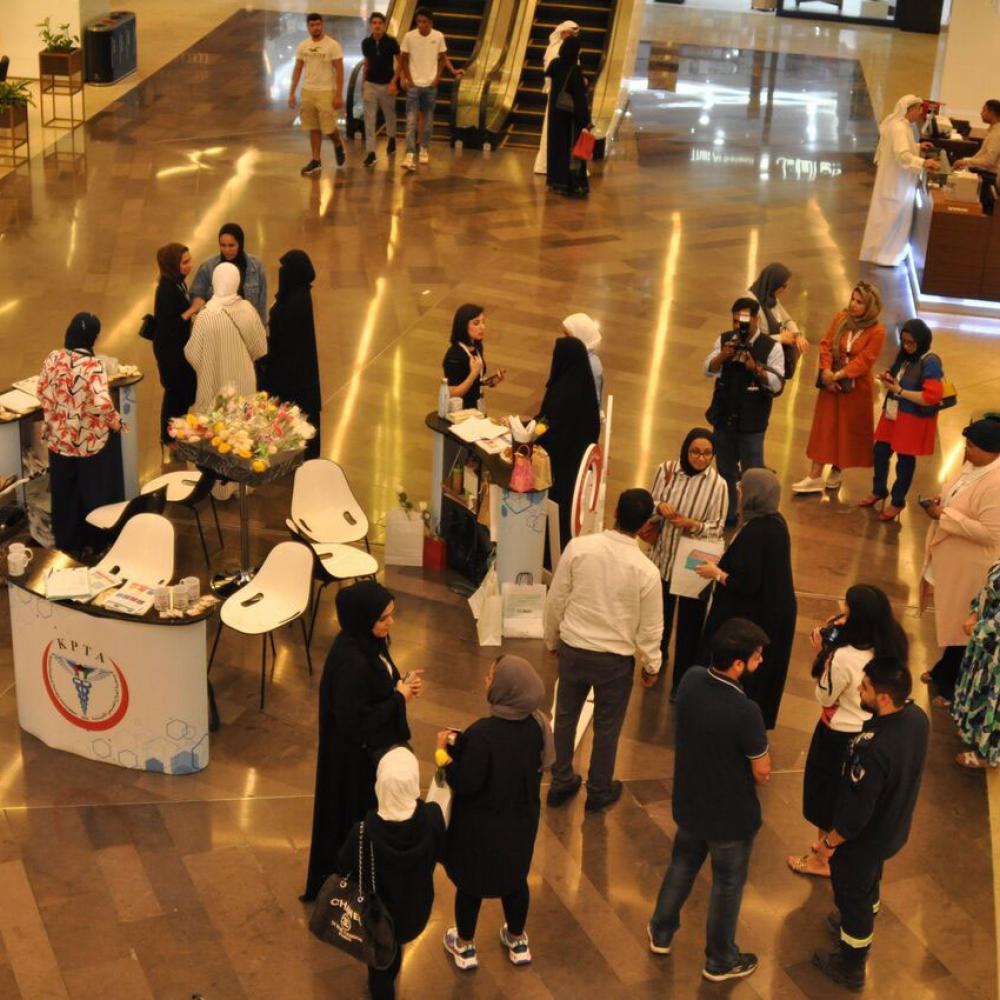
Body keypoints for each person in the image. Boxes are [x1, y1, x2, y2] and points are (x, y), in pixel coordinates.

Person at [647, 617, 770, 983]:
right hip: (730, 817)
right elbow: (762, 770)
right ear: (738, 664)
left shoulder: (691, 679)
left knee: (682, 864)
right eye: (757, 656)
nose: (761, 661)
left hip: (691, 803)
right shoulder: (746, 711)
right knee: (727, 884)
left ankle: (661, 931)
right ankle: (720, 959)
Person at [811, 657, 929, 991]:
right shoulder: (917, 718)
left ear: (884, 697)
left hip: (863, 841)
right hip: (892, 826)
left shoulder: (873, 747)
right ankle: (867, 912)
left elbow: (856, 814)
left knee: (853, 898)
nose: (859, 692)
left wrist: (829, 843)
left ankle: (851, 963)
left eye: (864, 688)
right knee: (869, 882)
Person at [544, 489, 663, 812]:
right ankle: (598, 790)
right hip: (615, 662)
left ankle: (560, 781)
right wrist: (651, 665)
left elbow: (556, 599)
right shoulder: (647, 571)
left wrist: (552, 639)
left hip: (574, 649)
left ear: (614, 512)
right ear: (645, 525)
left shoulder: (579, 548)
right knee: (607, 728)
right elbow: (651, 628)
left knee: (565, 718)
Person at [302, 582, 421, 902]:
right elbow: (355, 722)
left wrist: (400, 685)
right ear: (363, 618)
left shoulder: (368, 642)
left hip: (366, 754)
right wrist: (399, 698)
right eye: (384, 618)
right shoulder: (350, 662)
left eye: (391, 615)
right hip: (353, 762)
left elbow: (376, 687)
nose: (390, 623)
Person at [438, 655, 553, 971]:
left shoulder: (483, 733)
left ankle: (464, 946)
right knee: (515, 881)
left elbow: (466, 781)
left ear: (505, 689)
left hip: (481, 828)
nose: (486, 680)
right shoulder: (537, 727)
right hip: (520, 824)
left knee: (471, 886)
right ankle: (517, 940)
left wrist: (442, 754)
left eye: (491, 677)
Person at [786, 585, 907, 878]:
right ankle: (837, 851)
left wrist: (824, 654)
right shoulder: (893, 642)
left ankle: (821, 859)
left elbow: (825, 695)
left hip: (838, 733)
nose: (842, 610)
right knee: (852, 796)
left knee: (826, 798)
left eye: (848, 608)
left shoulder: (844, 656)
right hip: (872, 729)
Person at [336, 747, 445, 1000]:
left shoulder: (362, 832)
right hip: (416, 911)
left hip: (375, 917)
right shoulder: (432, 818)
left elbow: (342, 865)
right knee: (396, 945)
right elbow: (441, 851)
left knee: (380, 965)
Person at [697, 469, 796, 730]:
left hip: (756, 616)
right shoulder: (773, 521)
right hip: (771, 613)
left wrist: (717, 573)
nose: (739, 491)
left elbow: (747, 583)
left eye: (742, 487)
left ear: (754, 495)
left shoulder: (758, 531)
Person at [919, 419, 1000, 707]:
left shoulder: (996, 483)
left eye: (973, 447)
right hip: (952, 558)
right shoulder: (973, 466)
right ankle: (943, 669)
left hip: (973, 567)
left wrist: (945, 515)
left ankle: (951, 685)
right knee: (951, 619)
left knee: (962, 626)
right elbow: (956, 492)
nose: (967, 451)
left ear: (993, 451)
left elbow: (992, 533)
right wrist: (943, 501)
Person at [646, 428, 728, 699]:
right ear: (685, 450)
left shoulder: (718, 485)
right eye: (695, 452)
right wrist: (660, 507)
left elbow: (717, 528)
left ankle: (681, 681)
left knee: (690, 628)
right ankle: (655, 662)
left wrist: (692, 524)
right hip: (662, 559)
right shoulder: (666, 470)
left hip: (694, 567)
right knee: (659, 619)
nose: (701, 458)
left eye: (707, 453)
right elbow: (649, 503)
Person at [37, 313, 124, 556]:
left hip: (58, 441)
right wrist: (119, 424)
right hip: (88, 443)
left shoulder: (53, 357)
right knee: (93, 493)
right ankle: (95, 543)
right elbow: (102, 406)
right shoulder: (93, 366)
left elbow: (41, 390)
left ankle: (66, 544)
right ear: (93, 339)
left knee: (64, 493)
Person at [793, 281, 885, 494]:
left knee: (847, 431)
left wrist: (838, 375)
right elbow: (826, 344)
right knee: (824, 427)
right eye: (853, 299)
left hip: (856, 389)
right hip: (830, 384)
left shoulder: (877, 331)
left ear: (870, 307)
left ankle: (837, 469)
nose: (853, 304)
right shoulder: (841, 318)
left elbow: (864, 360)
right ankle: (815, 475)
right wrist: (826, 371)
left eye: (860, 302)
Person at [704, 298, 785, 525]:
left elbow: (777, 383)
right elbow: (708, 369)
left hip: (752, 423)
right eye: (735, 321)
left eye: (744, 321)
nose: (739, 326)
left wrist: (756, 369)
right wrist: (723, 355)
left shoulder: (771, 347)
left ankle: (753, 519)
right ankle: (729, 514)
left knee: (754, 474)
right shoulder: (724, 340)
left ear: (757, 319)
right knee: (725, 471)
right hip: (724, 419)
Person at [860, 319, 943, 519]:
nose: (906, 346)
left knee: (904, 460)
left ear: (921, 340)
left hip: (911, 419)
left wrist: (900, 390)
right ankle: (879, 490)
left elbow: (931, 397)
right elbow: (900, 380)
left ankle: (898, 501)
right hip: (893, 414)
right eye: (904, 341)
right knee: (880, 452)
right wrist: (890, 379)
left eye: (911, 342)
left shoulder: (930, 361)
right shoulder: (905, 357)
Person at [859, 95, 940, 266]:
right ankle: (885, 255)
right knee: (892, 217)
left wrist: (918, 147)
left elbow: (900, 148)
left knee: (890, 216)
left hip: (895, 180)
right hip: (896, 182)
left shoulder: (901, 125)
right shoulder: (899, 128)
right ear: (910, 109)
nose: (921, 112)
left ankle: (884, 252)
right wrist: (924, 162)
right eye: (919, 109)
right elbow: (902, 156)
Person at [536, 337, 601, 548]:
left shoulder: (561, 392)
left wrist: (531, 433)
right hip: (578, 469)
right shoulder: (585, 389)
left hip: (559, 472)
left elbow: (550, 427)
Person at [184, 262, 268, 413]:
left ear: (214, 282)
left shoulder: (205, 316)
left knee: (215, 424)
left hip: (212, 385)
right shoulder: (248, 310)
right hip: (243, 384)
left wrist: (211, 363)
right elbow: (260, 348)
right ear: (237, 281)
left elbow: (193, 354)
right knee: (243, 424)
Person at [262, 249, 322, 458]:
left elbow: (282, 332)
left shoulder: (294, 302)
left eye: (285, 269)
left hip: (290, 374)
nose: (281, 272)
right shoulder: (299, 292)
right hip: (298, 371)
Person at [399, 8, 463, 173]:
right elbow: (403, 59)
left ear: (430, 23)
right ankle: (409, 153)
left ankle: (424, 148)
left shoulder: (438, 36)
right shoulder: (409, 36)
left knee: (427, 120)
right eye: (419, 22)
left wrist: (438, 78)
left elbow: (443, 58)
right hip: (414, 85)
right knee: (411, 121)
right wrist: (408, 78)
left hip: (430, 85)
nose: (421, 25)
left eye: (424, 22)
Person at [951, 558, 1000, 769]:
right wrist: (974, 612)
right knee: (982, 691)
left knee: (995, 702)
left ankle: (987, 754)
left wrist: (979, 628)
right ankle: (974, 732)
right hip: (986, 644)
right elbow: (988, 589)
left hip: (994, 642)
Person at [288, 12, 346, 176]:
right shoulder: (303, 46)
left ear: (322, 25)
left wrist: (339, 94)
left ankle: (337, 143)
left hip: (326, 91)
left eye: (318, 24)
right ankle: (316, 160)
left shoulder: (332, 45)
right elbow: (298, 69)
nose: (316, 28)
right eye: (312, 25)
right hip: (308, 91)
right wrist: (292, 92)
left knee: (329, 128)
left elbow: (340, 71)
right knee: (313, 127)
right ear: (308, 27)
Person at [152, 242, 197, 448]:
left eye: (189, 261)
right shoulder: (166, 290)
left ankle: (178, 430)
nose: (189, 266)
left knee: (184, 391)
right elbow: (169, 325)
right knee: (175, 393)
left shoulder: (178, 282)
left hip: (179, 348)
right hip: (170, 352)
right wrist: (192, 310)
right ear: (172, 265)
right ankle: (169, 438)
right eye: (184, 262)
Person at [189, 223, 268, 324]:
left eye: (231, 245)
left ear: (240, 244)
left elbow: (262, 305)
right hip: (217, 325)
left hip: (247, 325)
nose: (227, 250)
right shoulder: (208, 267)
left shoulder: (256, 266)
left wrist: (262, 329)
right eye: (223, 245)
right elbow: (196, 297)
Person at [544, 34, 592, 198]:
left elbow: (551, 79)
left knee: (555, 147)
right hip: (570, 117)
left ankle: (554, 181)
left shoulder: (555, 64)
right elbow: (579, 98)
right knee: (570, 150)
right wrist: (585, 120)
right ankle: (572, 184)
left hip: (555, 113)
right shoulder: (575, 70)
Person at [533, 21, 579, 176]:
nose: (570, 36)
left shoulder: (558, 49)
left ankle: (553, 165)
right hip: (562, 96)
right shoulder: (557, 49)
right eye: (568, 33)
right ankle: (554, 165)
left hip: (557, 95)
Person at [442, 303, 504, 411]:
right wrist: (473, 373)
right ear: (463, 326)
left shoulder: (477, 347)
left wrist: (491, 381)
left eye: (483, 322)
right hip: (461, 412)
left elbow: (475, 382)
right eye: (476, 323)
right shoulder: (454, 356)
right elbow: (452, 394)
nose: (482, 327)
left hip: (477, 408)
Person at [361, 12, 400, 168]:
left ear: (384, 25)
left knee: (389, 115)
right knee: (369, 119)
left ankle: (392, 138)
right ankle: (371, 153)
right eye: (374, 23)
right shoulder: (366, 43)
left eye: (380, 23)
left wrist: (395, 82)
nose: (377, 25)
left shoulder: (391, 42)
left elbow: (401, 62)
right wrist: (363, 83)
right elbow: (367, 63)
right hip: (370, 84)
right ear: (371, 25)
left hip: (387, 85)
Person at [748, 262, 809, 361]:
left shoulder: (770, 298)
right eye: (783, 286)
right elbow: (751, 339)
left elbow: (787, 320)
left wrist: (797, 335)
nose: (785, 291)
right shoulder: (749, 303)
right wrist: (779, 338)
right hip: (758, 357)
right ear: (774, 283)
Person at [953, 99, 1000, 212]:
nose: (980, 113)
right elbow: (982, 156)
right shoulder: (993, 131)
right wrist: (966, 162)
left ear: (991, 113)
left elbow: (989, 161)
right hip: (986, 176)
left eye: (984, 110)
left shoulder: (997, 134)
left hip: (988, 180)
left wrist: (965, 162)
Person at [562, 312, 603, 405]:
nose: (564, 339)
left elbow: (592, 402)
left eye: (567, 335)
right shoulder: (575, 357)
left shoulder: (591, 366)